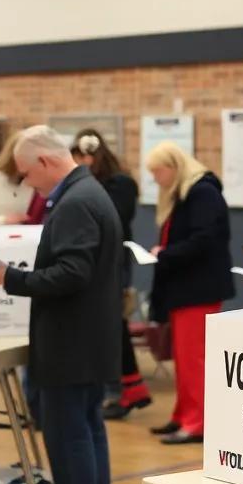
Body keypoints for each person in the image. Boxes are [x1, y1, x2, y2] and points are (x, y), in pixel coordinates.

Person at [0, 126, 122, 484]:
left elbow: (73, 273)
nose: (25, 184)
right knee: (88, 431)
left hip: (70, 342)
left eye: (25, 173)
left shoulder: (75, 202)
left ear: (45, 162)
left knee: (68, 435)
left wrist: (8, 278)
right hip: (88, 339)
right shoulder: (88, 193)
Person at [144, 141, 233, 445]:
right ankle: (182, 415)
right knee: (184, 358)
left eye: (158, 172)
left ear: (174, 166)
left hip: (199, 288)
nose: (155, 178)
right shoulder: (185, 193)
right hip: (185, 288)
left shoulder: (202, 192)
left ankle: (198, 423)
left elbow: (205, 239)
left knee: (196, 358)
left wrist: (166, 254)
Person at [74, 129, 151, 419]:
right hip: (95, 266)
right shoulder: (95, 184)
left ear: (89, 157)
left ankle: (122, 391)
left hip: (112, 267)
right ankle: (123, 391)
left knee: (114, 330)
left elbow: (112, 220)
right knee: (106, 331)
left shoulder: (120, 184)